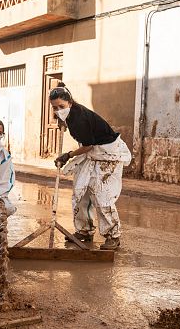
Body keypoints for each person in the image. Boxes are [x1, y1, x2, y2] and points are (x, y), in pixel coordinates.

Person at [50, 84, 131, 251]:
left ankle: (113, 236)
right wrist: (61, 120)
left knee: (102, 196)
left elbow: (87, 145)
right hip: (93, 153)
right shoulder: (70, 115)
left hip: (108, 154)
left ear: (70, 103)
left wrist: (68, 155)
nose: (58, 110)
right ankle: (84, 231)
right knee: (81, 193)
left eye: (61, 107)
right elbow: (87, 146)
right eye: (55, 108)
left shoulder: (80, 118)